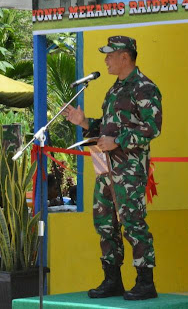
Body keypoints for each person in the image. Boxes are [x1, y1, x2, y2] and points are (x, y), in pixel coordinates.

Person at [63, 36, 162, 301]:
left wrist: (117, 141)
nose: (105, 59)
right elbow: (106, 130)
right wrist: (84, 123)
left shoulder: (145, 88)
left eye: (110, 55)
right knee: (104, 222)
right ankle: (112, 280)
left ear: (125, 57)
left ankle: (145, 282)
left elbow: (152, 128)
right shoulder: (114, 90)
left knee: (132, 222)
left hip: (128, 170)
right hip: (104, 166)